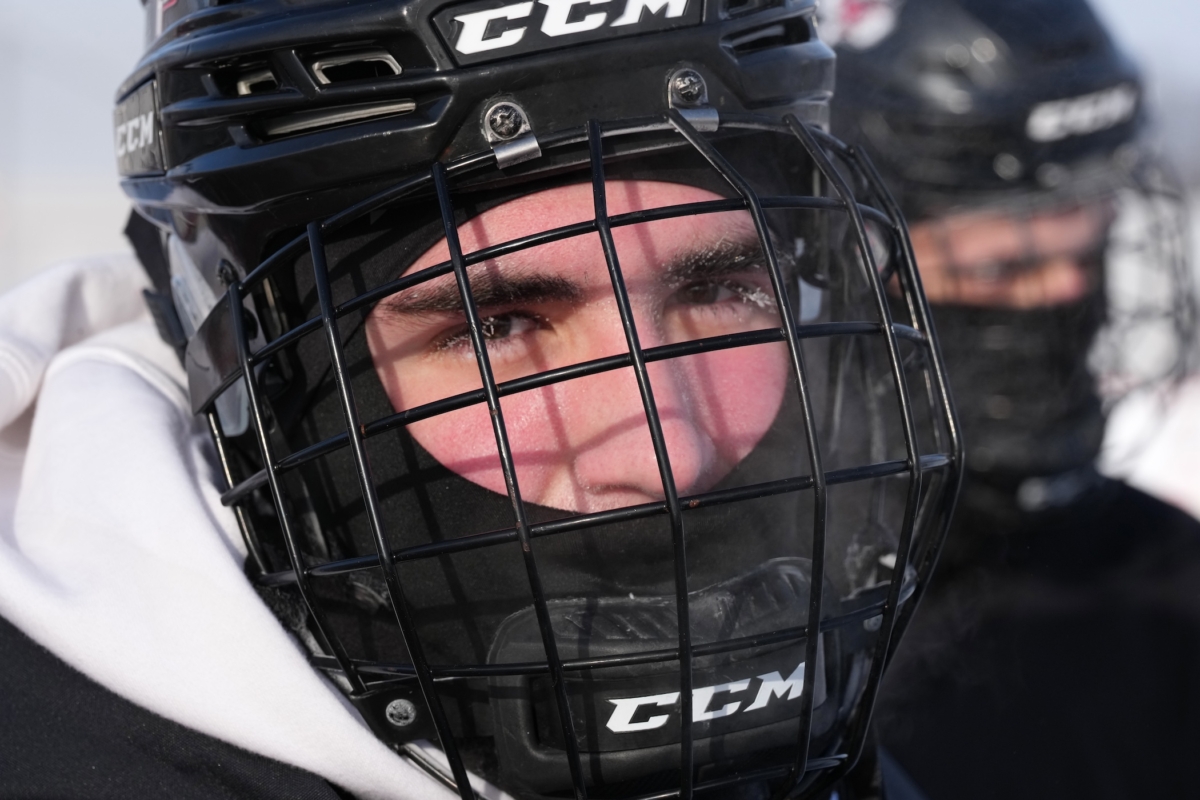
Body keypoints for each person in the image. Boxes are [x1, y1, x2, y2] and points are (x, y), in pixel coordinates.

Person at [0, 0, 961, 798]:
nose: (668, 453)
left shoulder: (825, 748)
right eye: (493, 327)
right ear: (258, 383)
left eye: (717, 292)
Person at [827, 0, 1200, 797]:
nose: (1062, 299)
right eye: (999, 272)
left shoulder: (1165, 576)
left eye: (1088, 255)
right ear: (855, 278)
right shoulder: (764, 612)